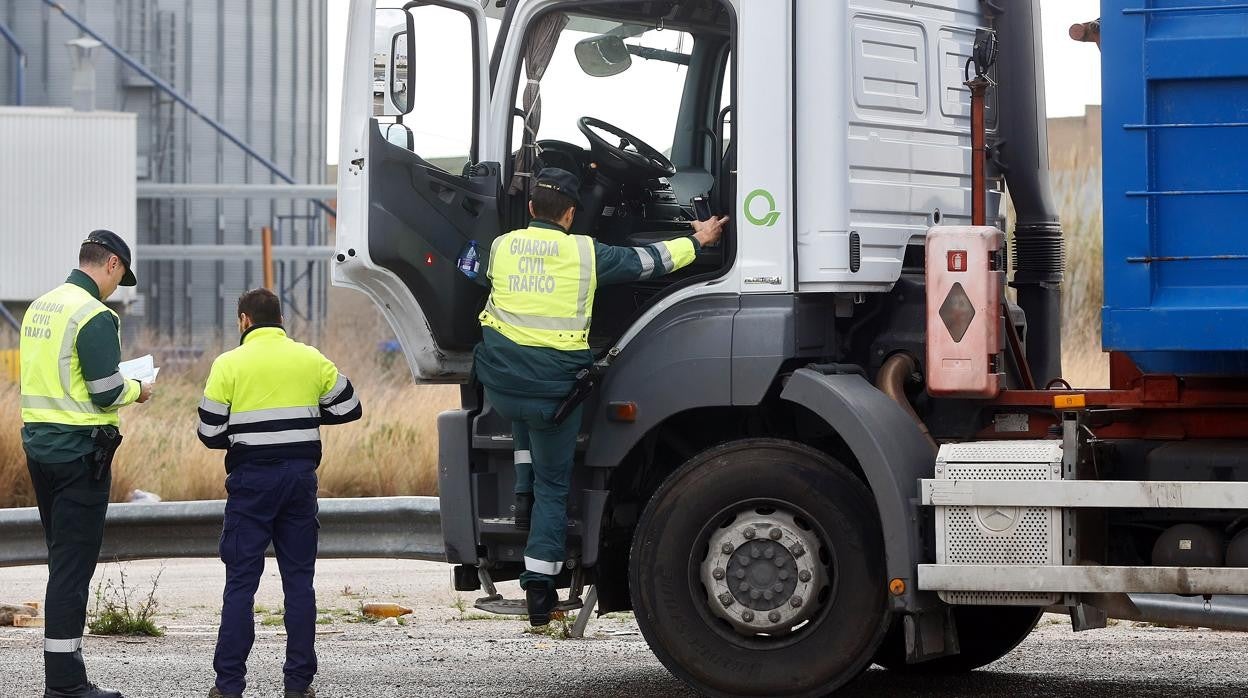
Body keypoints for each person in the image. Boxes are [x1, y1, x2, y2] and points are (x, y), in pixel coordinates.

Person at [473, 167, 727, 625]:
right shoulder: (587, 253)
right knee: (555, 485)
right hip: (553, 396)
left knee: (523, 415)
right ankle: (539, 592)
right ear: (571, 214)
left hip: (503, 386)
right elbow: (649, 261)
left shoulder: (502, 246)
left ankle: (521, 496)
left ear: (530, 208)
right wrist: (700, 239)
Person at [197, 289, 362, 698]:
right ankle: (298, 684)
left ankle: (229, 685)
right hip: (299, 481)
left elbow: (209, 432)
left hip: (251, 482)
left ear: (244, 320)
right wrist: (305, 417)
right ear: (281, 320)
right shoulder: (310, 358)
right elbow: (350, 407)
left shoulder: (228, 364)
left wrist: (244, 431)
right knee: (299, 582)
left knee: (241, 583)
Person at [20, 230, 154, 698]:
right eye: (121, 277)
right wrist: (139, 389)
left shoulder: (40, 307)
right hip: (80, 455)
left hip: (40, 449)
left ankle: (63, 676)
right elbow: (106, 391)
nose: (117, 288)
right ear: (112, 264)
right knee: (73, 570)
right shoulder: (94, 314)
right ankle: (65, 682)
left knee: (62, 560)